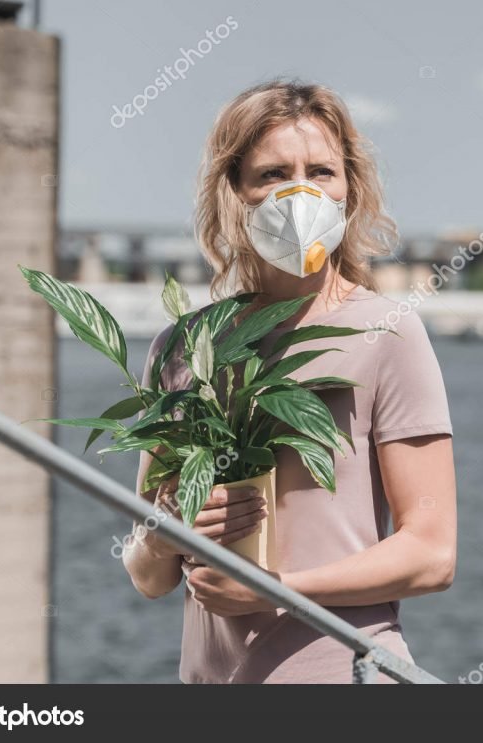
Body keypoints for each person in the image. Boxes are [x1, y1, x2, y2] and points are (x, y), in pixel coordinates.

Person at [121, 80, 456, 683]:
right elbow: (149, 578)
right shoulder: (185, 347)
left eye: (321, 171)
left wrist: (274, 590)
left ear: (349, 190)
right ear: (234, 194)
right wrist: (165, 534)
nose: (300, 192)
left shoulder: (386, 331)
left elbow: (431, 554)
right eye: (274, 173)